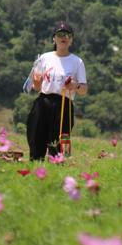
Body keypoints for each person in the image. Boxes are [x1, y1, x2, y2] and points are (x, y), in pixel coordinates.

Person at [25, 22, 88, 160]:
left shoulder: (77, 62)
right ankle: (35, 164)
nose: (63, 37)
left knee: (60, 143)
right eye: (60, 34)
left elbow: (83, 90)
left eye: (67, 35)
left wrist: (74, 85)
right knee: (36, 136)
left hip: (64, 104)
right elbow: (36, 87)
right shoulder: (44, 58)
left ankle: (58, 168)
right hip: (43, 101)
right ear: (54, 38)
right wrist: (36, 81)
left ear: (71, 40)